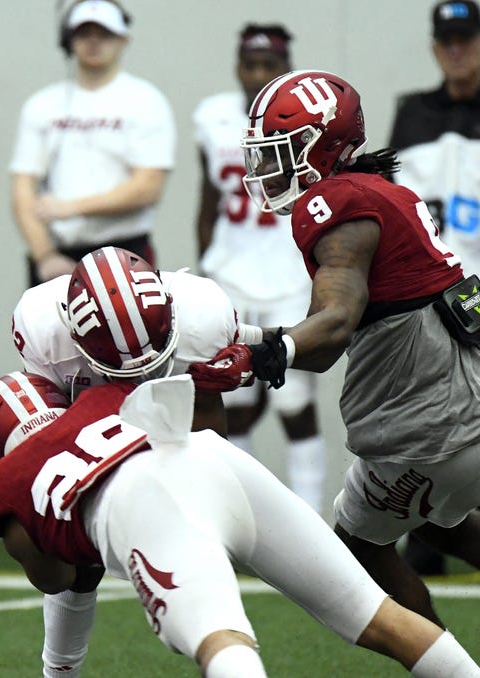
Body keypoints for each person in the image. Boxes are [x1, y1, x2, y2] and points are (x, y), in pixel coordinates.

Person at [189, 70, 480, 678]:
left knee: (360, 542)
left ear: (322, 147)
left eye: (281, 152)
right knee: (447, 523)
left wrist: (256, 358)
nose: (268, 170)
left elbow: (331, 329)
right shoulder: (384, 191)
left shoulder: (332, 204)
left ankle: (454, 673)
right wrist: (252, 337)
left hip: (433, 423)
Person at [0, 250, 480, 677]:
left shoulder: (10, 482)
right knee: (376, 616)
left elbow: (59, 576)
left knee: (224, 642)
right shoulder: (52, 342)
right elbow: (204, 433)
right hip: (208, 460)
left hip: (148, 501)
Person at [10, 246, 246, 676]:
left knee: (202, 536)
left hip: (173, 417)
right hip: (88, 415)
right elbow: (54, 441)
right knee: (75, 544)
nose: (134, 372)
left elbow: (209, 439)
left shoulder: (202, 313)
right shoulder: (43, 326)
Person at [388, 0, 480, 576]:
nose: (456, 50)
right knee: (428, 411)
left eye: (465, 39)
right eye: (446, 41)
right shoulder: (410, 112)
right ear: (435, 48)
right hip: (426, 288)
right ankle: (426, 539)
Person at [192, 23, 325, 511]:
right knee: (238, 402)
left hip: (289, 276)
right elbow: (206, 205)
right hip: (232, 272)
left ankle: (311, 515)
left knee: (295, 405)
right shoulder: (212, 118)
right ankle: (242, 514)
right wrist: (208, 272)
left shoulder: (308, 119)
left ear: (286, 69)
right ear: (237, 67)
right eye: (250, 64)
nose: (257, 74)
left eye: (269, 65)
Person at [10, 0, 174, 287]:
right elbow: (22, 187)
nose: (93, 42)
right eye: (85, 34)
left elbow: (147, 187)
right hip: (58, 254)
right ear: (68, 40)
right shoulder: (42, 104)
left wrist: (70, 207)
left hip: (124, 252)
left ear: (123, 40)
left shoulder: (145, 100)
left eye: (104, 34)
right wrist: (44, 255)